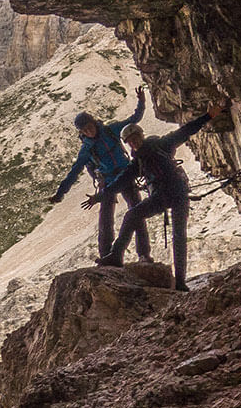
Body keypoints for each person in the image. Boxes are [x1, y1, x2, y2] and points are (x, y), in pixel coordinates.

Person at [94, 100, 232, 290]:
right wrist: (100, 196)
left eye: (135, 138)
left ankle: (180, 281)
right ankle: (116, 255)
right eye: (130, 142)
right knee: (133, 215)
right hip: (165, 195)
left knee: (178, 236)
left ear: (141, 136)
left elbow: (186, 131)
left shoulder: (161, 145)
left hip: (177, 194)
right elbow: (120, 181)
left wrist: (209, 116)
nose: (134, 143)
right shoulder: (138, 162)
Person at [49, 89, 152, 262]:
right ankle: (107, 257)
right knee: (106, 221)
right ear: (81, 133)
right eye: (85, 130)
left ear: (94, 123)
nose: (89, 132)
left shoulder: (111, 130)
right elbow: (74, 172)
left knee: (137, 213)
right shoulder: (86, 149)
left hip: (125, 175)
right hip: (108, 181)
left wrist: (141, 101)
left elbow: (134, 119)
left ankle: (144, 255)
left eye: (89, 127)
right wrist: (60, 194)